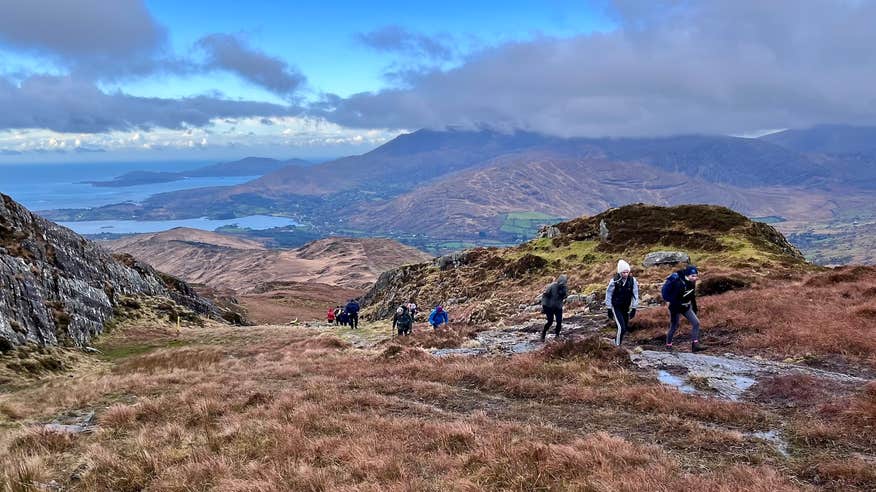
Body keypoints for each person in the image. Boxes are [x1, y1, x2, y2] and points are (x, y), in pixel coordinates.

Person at [663, 265, 704, 352]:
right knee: (674, 325)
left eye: (696, 275)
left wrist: (695, 308)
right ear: (687, 275)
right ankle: (668, 345)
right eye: (693, 276)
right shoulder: (679, 283)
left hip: (686, 306)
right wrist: (675, 307)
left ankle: (695, 345)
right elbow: (673, 299)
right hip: (675, 307)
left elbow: (692, 295)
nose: (695, 278)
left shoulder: (692, 282)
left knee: (696, 323)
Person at [605, 260, 639, 346]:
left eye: (627, 272)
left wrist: (634, 308)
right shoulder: (614, 281)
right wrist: (609, 308)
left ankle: (616, 341)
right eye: (624, 272)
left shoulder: (632, 281)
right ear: (620, 272)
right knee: (621, 327)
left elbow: (635, 294)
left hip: (625, 307)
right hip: (616, 307)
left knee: (625, 328)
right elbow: (608, 294)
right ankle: (617, 347)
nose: (626, 274)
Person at [540, 274, 568, 342]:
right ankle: (543, 334)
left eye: (564, 283)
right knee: (550, 321)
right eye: (562, 282)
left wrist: (564, 294)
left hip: (558, 306)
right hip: (549, 306)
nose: (563, 284)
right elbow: (545, 296)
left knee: (559, 321)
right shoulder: (551, 286)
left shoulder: (564, 288)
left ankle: (557, 335)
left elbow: (565, 296)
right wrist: (544, 306)